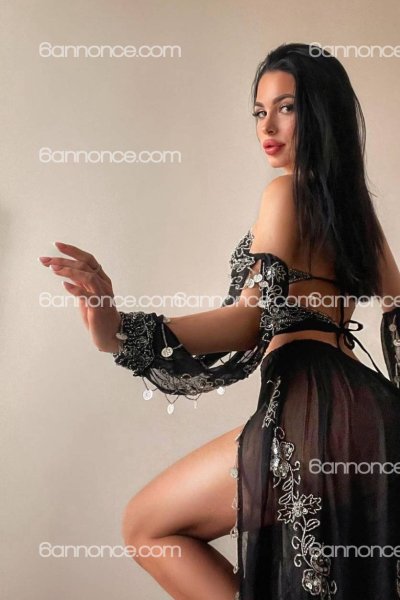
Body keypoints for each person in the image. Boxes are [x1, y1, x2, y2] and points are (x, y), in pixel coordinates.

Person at [39, 43, 400, 599]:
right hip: (370, 417)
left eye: (287, 107)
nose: (267, 126)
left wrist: (121, 333)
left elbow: (250, 320)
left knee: (146, 527)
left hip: (310, 407)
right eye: (259, 111)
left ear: (321, 113)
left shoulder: (284, 193)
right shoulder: (355, 211)